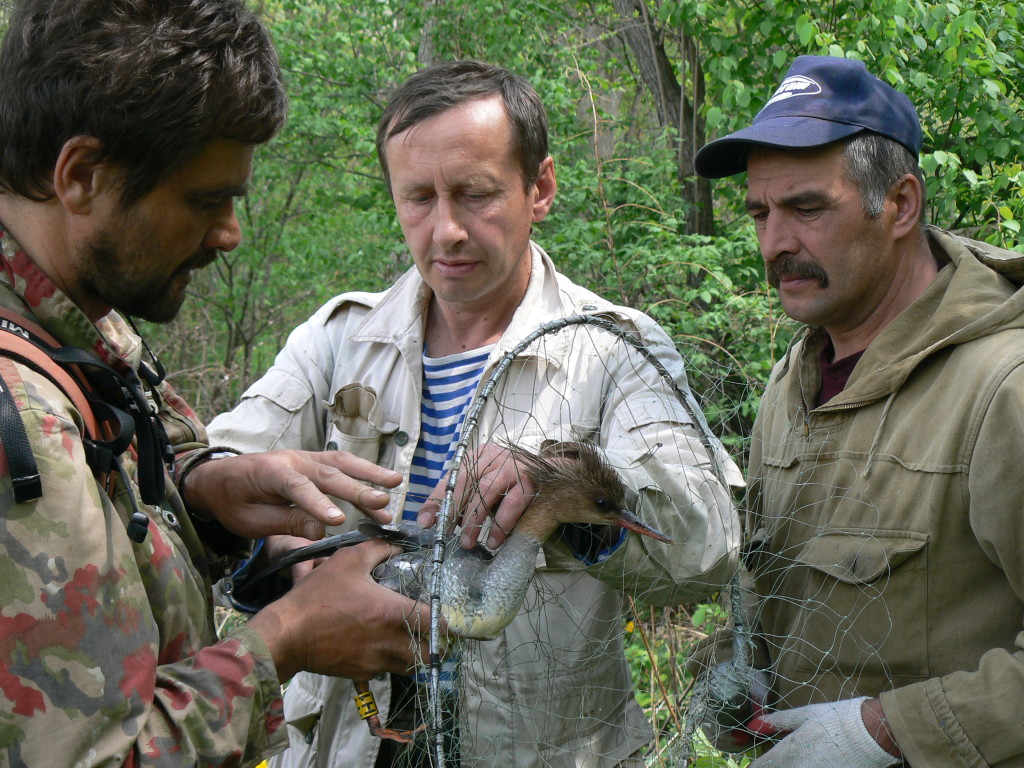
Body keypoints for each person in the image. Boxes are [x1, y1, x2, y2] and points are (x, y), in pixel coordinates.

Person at [207, 59, 742, 768]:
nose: (447, 230)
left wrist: (574, 486)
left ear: (540, 187)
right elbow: (209, 485)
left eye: (475, 194)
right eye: (418, 198)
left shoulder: (614, 348)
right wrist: (288, 558)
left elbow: (708, 546)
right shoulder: (336, 341)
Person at [0, 2, 432, 766]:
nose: (231, 233)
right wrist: (288, 638)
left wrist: (208, 493)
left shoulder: (78, 326)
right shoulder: (19, 414)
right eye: (206, 200)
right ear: (81, 176)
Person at [689, 54, 1024, 767]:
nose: (775, 243)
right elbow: (770, 577)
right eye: (760, 211)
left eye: (807, 207)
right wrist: (732, 666)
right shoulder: (792, 382)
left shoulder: (1002, 386)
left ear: (900, 205)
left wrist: (890, 729)